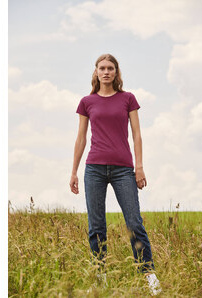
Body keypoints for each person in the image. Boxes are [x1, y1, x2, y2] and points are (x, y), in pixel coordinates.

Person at [69, 54, 161, 295]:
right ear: (96, 72)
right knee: (96, 226)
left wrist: (138, 166)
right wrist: (74, 171)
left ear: (116, 72)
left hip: (123, 170)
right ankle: (101, 276)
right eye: (102, 68)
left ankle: (149, 275)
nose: (106, 72)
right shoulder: (87, 102)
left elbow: (137, 134)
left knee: (134, 223)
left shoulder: (127, 99)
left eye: (111, 68)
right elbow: (81, 138)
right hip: (94, 169)